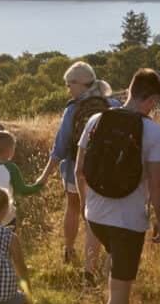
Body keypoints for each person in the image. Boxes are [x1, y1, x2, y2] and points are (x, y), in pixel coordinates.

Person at [75, 68, 160, 304]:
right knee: (120, 292)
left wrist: (85, 205)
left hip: (96, 216)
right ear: (151, 100)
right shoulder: (153, 132)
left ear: (129, 90)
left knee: (113, 264)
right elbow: (157, 183)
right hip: (128, 222)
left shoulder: (97, 119)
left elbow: (79, 171)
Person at [41, 62, 116, 275]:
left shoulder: (73, 109)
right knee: (100, 212)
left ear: (79, 84)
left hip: (76, 168)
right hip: (106, 171)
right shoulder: (113, 103)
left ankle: (69, 249)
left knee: (73, 208)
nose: (68, 89)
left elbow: (60, 147)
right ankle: (98, 259)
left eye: (68, 84)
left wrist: (44, 176)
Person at [0, 130, 46, 226]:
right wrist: (40, 184)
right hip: (5, 217)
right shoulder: (11, 168)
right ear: (10, 150)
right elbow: (23, 190)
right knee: (9, 239)